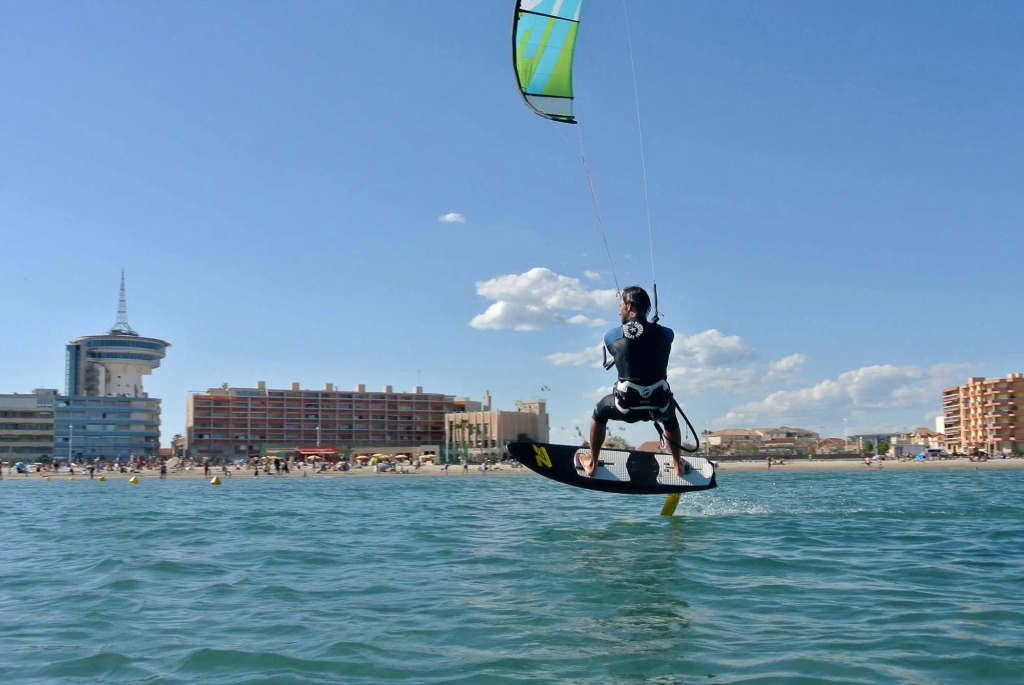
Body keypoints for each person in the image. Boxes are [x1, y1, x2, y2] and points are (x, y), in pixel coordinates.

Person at [584, 285, 686, 477]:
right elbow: (649, 342)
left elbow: (628, 346)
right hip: (657, 406)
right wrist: (650, 328)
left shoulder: (611, 335)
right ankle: (677, 464)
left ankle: (592, 463)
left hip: (626, 407)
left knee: (599, 413)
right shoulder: (667, 334)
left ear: (629, 306)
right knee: (670, 419)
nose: (619, 311)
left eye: (620, 306)